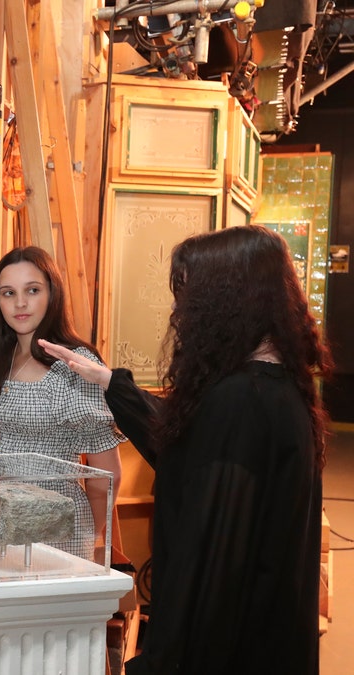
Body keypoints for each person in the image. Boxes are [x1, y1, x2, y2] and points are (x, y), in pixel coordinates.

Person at [41, 226, 331, 674]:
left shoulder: (239, 401)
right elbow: (191, 446)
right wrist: (110, 384)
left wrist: (160, 662)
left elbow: (211, 567)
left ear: (227, 302)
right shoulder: (276, 385)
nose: (179, 310)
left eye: (189, 295)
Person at [0, 246, 123, 558]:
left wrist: (87, 538)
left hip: (57, 523)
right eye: (8, 293)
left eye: (32, 290)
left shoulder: (75, 363)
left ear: (52, 293)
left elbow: (106, 473)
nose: (20, 303)